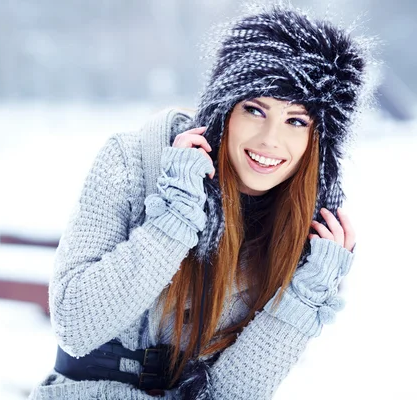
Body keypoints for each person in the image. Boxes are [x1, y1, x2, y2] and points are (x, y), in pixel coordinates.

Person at [29, 4, 377, 400]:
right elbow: (77, 326)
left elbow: (229, 393)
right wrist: (175, 216)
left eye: (296, 121)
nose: (269, 139)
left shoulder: (302, 236)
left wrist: (303, 299)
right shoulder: (136, 162)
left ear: (319, 143)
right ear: (224, 107)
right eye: (254, 109)